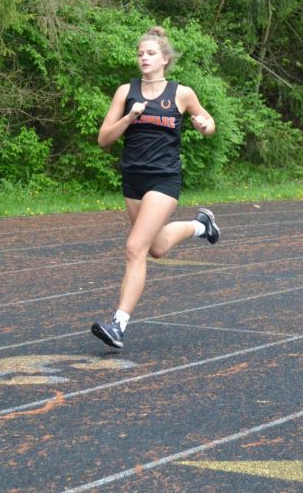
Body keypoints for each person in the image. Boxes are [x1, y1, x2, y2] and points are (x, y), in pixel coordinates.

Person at [91, 26, 220, 349]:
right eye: (140, 54)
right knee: (156, 248)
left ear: (164, 59)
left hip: (164, 179)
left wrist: (204, 124)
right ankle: (200, 226)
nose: (143, 58)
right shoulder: (126, 92)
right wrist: (128, 119)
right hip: (133, 177)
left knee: (135, 248)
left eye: (150, 53)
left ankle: (118, 324)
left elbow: (209, 123)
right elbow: (104, 139)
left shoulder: (181, 93)